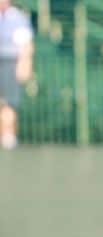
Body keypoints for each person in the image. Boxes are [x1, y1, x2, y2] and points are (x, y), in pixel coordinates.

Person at [0, 0, 32, 150]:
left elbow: (25, 43)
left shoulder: (17, 18)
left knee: (9, 102)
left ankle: (7, 136)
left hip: (9, 62)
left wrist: (24, 64)